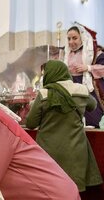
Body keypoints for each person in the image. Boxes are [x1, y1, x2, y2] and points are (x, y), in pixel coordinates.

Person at [26, 60, 102, 192]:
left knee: (52, 191)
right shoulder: (81, 90)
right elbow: (93, 105)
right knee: (72, 191)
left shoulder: (44, 94)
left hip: (49, 154)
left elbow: (31, 123)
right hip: (76, 152)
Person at [64, 23, 104, 127]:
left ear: (82, 38)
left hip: (90, 91)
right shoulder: (66, 54)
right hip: (72, 92)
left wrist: (89, 68)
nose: (71, 42)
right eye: (69, 39)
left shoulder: (95, 53)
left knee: (92, 121)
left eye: (74, 38)